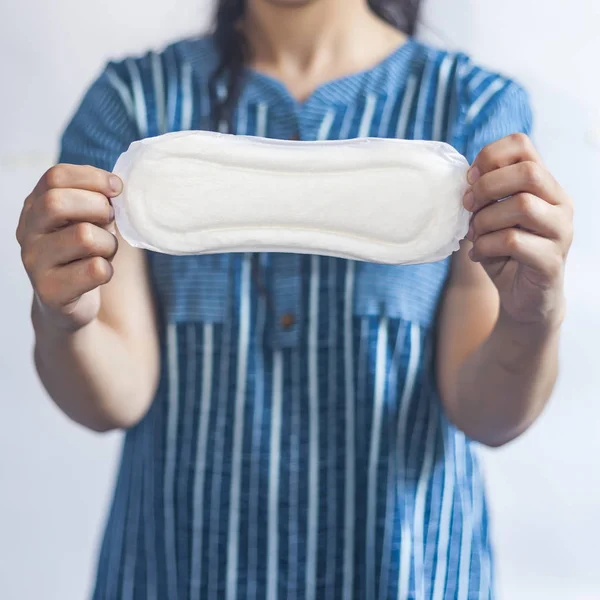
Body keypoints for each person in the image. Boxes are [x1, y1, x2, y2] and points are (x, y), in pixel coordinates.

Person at [15, 0, 573, 598]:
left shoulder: (471, 106)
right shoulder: (133, 102)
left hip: (404, 569)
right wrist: (61, 316)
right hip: (179, 569)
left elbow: (486, 413)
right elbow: (114, 399)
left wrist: (531, 316)